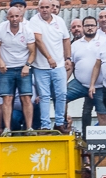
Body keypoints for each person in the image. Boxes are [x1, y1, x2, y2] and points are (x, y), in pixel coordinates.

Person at [0, 6, 37, 134]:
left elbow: (33, 52)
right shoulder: (1, 28)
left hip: (23, 68)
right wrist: (0, 61)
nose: (14, 19)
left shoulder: (27, 30)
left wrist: (27, 65)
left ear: (21, 17)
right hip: (6, 69)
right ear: (8, 18)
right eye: (11, 16)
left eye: (17, 16)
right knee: (7, 99)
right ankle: (7, 128)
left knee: (26, 98)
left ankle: (29, 128)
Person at [30, 0, 71, 132]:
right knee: (44, 96)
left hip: (58, 65)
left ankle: (59, 123)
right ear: (38, 9)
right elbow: (38, 40)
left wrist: (68, 58)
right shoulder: (34, 21)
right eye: (42, 7)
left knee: (62, 94)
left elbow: (66, 39)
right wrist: (49, 58)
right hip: (41, 67)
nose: (45, 10)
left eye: (47, 7)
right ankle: (45, 125)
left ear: (52, 8)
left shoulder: (59, 21)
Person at [67, 16, 106, 128]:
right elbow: (71, 66)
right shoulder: (75, 45)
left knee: (103, 115)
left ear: (97, 27)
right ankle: (64, 124)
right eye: (87, 25)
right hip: (80, 84)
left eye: (92, 25)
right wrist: (62, 83)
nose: (90, 28)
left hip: (100, 86)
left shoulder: (105, 42)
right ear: (83, 27)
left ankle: (105, 142)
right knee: (61, 96)